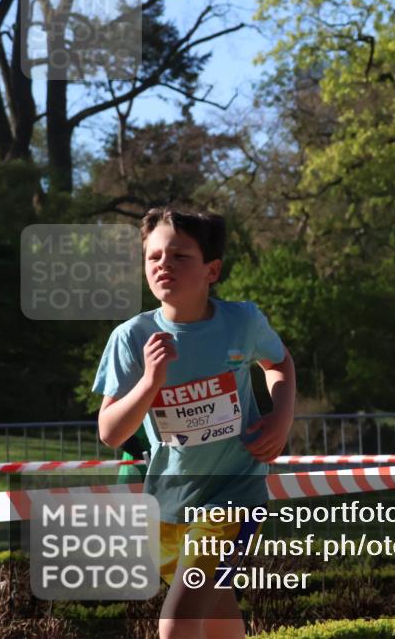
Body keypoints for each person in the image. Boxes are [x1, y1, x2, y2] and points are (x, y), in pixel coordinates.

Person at [94, 207, 296, 639]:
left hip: (234, 493)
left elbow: (279, 362)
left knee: (177, 623)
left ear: (212, 270)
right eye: (153, 257)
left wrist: (281, 417)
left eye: (180, 256)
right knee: (219, 615)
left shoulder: (241, 322)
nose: (163, 265)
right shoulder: (132, 338)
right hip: (168, 501)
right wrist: (150, 382)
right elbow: (111, 432)